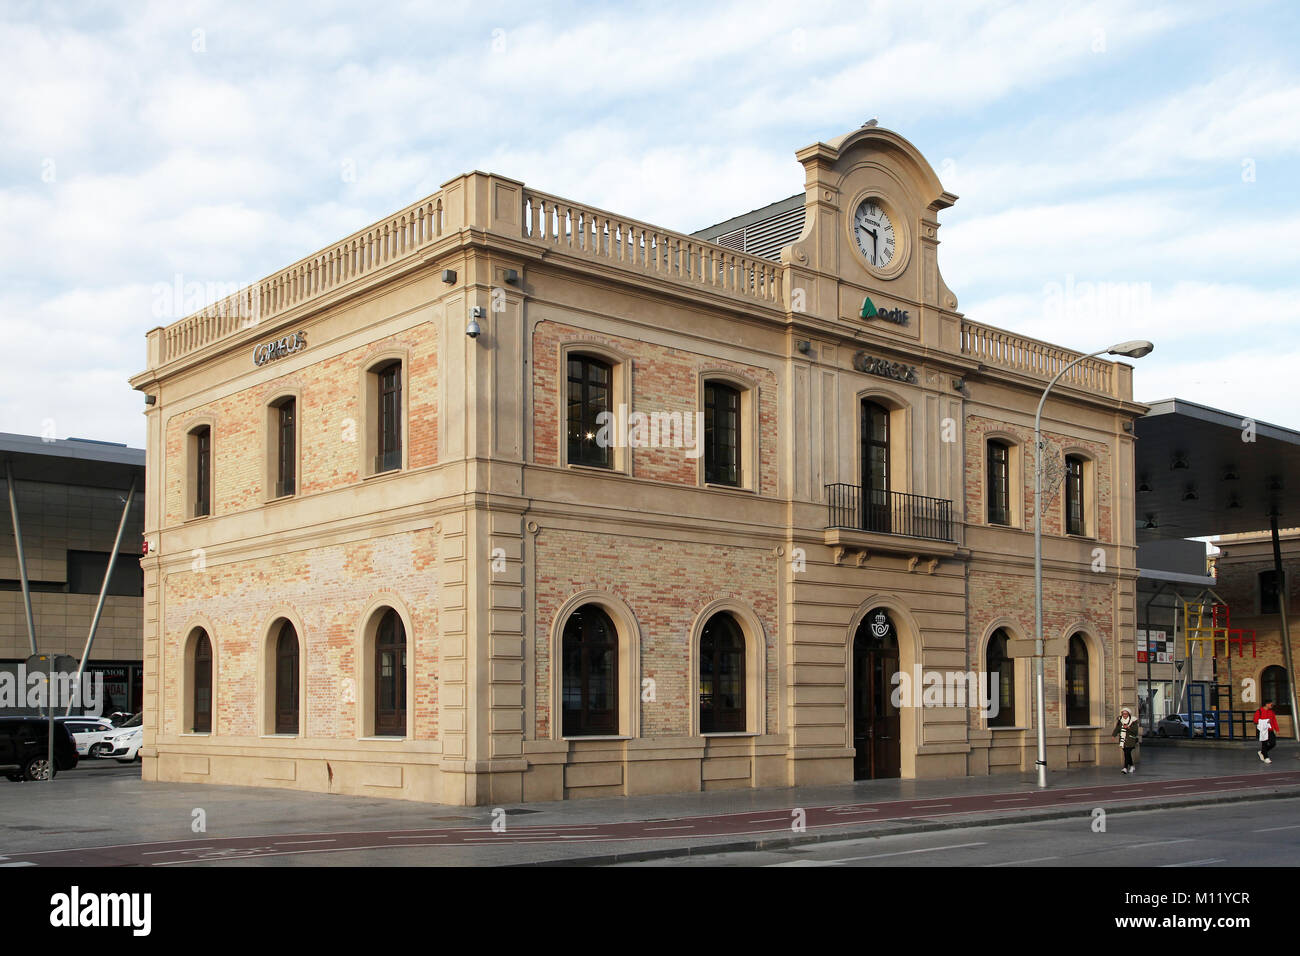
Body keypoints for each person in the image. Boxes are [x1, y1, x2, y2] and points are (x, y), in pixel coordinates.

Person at [1111, 706, 1140, 774]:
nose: (1124, 715)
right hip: (1123, 740)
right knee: (1127, 753)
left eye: (1126, 714)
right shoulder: (1120, 720)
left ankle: (1125, 768)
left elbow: (1135, 731)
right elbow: (1117, 728)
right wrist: (1113, 735)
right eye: (1123, 714)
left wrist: (1128, 727)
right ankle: (1132, 766)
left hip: (1130, 740)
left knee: (1127, 753)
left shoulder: (1133, 721)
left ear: (1128, 714)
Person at [1254, 700, 1279, 764]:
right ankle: (1266, 758)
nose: (1272, 705)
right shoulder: (1259, 711)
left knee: (1273, 743)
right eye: (1271, 704)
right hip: (1263, 730)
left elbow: (1274, 721)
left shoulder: (1271, 712)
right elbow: (1255, 721)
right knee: (1264, 744)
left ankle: (1262, 752)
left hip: (1270, 730)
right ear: (1266, 704)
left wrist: (1277, 729)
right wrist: (1265, 721)